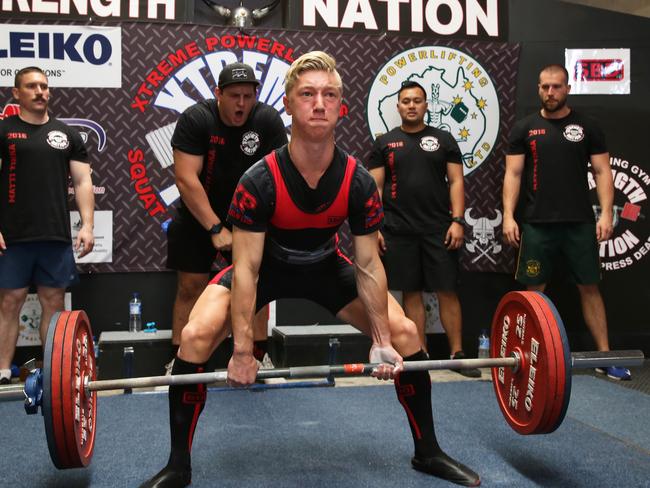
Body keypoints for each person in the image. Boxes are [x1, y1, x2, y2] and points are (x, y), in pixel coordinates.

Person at [140, 52, 480, 488]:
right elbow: (246, 269)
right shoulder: (259, 180)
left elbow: (368, 263)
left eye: (329, 95)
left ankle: (428, 451)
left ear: (341, 106)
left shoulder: (357, 180)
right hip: (267, 270)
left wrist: (379, 340)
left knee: (407, 334)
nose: (318, 103)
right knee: (195, 336)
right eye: (307, 94)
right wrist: (242, 351)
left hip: (324, 266)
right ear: (288, 104)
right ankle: (178, 465)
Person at [502, 63, 630, 381]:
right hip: (536, 223)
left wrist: (605, 213)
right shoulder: (524, 128)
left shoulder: (588, 126)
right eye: (545, 87)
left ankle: (604, 355)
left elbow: (602, 171)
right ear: (538, 89)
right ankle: (531, 358)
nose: (550, 92)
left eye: (556, 86)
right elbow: (513, 174)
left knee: (590, 287)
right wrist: (508, 216)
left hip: (579, 222)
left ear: (567, 88)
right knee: (534, 293)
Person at [166, 62, 287, 372]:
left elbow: (278, 174)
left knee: (256, 286)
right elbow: (185, 179)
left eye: (249, 96)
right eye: (235, 96)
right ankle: (181, 363)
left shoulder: (267, 120)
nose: (242, 104)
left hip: (250, 217)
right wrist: (215, 227)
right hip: (199, 215)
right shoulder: (197, 119)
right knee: (190, 287)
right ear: (218, 93)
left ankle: (259, 358)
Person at [367, 81, 481, 379]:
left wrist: (457, 221)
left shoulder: (443, 140)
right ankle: (420, 357)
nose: (412, 105)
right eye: (406, 101)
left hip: (438, 228)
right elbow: (374, 187)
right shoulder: (385, 143)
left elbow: (456, 181)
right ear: (398, 106)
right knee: (412, 294)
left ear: (426, 105)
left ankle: (458, 354)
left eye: (417, 100)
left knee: (447, 290)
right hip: (398, 230)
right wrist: (375, 227)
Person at [0, 66, 94, 384]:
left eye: (44, 86)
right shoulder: (4, 130)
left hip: (54, 234)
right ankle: (1, 371)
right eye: (31, 86)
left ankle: (52, 371)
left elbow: (82, 181)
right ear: (16, 93)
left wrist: (88, 225)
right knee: (10, 301)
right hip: (12, 235)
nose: (40, 91)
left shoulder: (66, 134)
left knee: (52, 301)